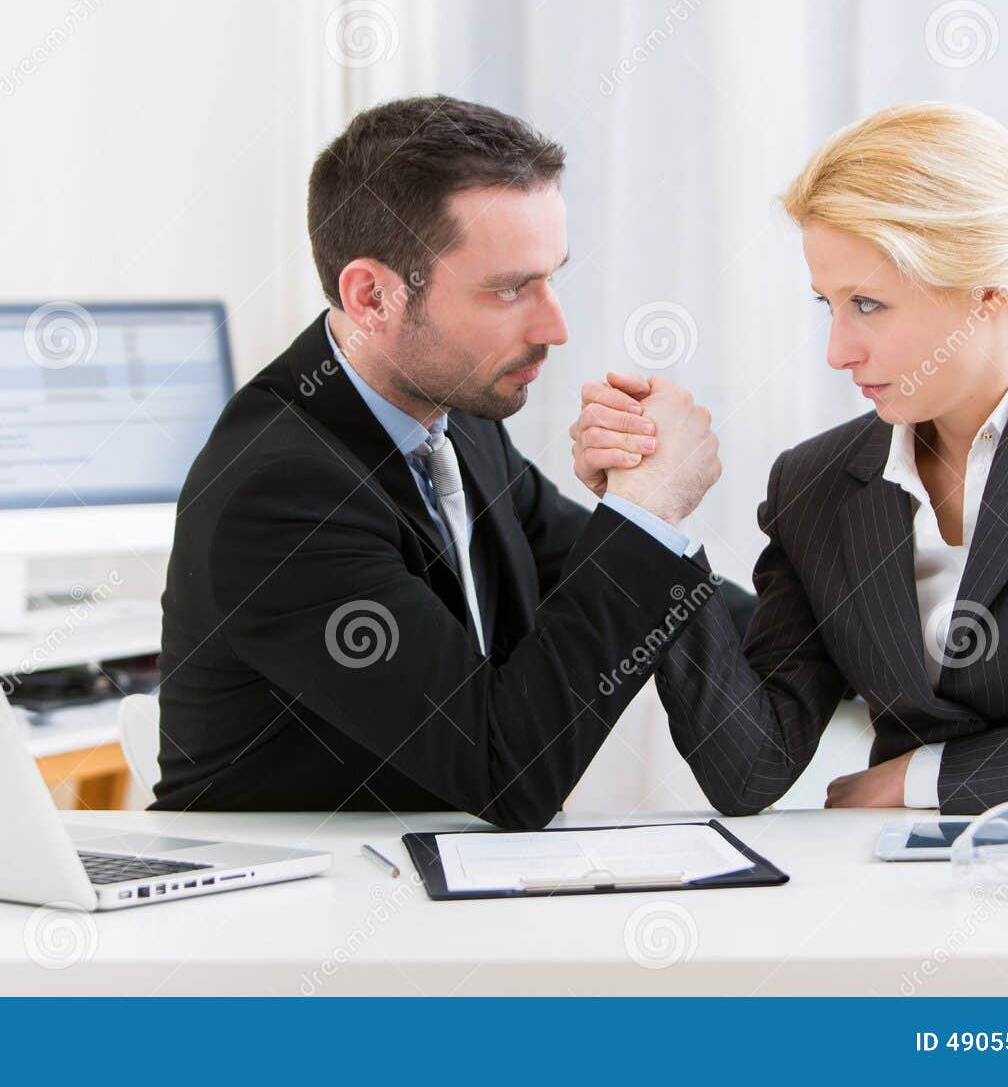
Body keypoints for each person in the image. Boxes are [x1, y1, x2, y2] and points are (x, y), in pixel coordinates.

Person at [571, 102, 1008, 815]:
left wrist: (920, 778)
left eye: (868, 304)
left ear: (988, 291)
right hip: (892, 897)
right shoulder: (815, 484)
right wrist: (651, 522)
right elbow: (750, 768)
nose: (838, 350)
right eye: (827, 304)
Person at [153, 94, 750, 830]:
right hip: (292, 919)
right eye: (508, 290)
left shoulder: (454, 418)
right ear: (372, 296)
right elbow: (509, 770)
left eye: (551, 277)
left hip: (422, 895)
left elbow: (577, 571)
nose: (555, 326)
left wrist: (840, 636)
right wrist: (645, 511)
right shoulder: (279, 496)